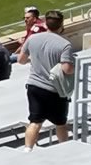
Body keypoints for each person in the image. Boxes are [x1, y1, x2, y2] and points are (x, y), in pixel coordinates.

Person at [19, 11, 75, 148]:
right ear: (61, 25)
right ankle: (65, 148)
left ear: (45, 22)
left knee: (35, 121)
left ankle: (28, 150)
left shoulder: (32, 39)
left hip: (34, 86)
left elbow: (21, 60)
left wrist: (36, 60)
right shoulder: (65, 44)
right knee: (60, 123)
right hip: (54, 90)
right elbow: (67, 69)